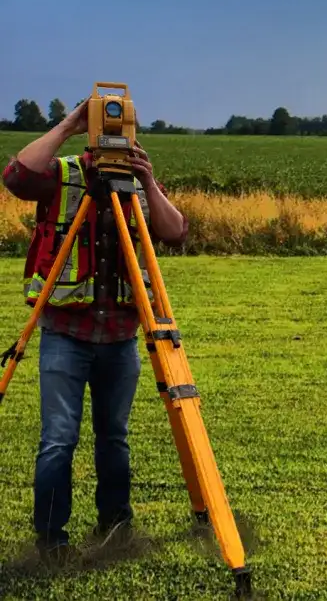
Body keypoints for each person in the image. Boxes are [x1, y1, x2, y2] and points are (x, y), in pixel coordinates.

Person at [3, 98, 188, 564]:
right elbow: (16, 177)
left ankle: (116, 527)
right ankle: (51, 539)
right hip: (65, 333)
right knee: (58, 440)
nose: (116, 137)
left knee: (114, 437)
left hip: (121, 338)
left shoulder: (137, 184)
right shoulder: (65, 174)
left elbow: (175, 232)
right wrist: (68, 124)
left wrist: (148, 181)